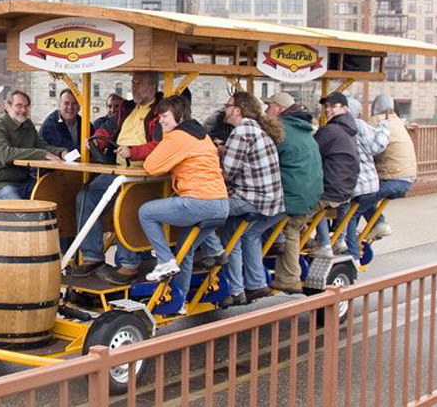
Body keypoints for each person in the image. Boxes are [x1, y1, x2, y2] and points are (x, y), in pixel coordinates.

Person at [75, 71, 163, 284]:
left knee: (125, 205)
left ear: (152, 85)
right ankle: (92, 256)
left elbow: (160, 145)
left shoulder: (161, 111)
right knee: (85, 196)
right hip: (119, 170)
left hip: (145, 175)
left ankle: (129, 263)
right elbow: (108, 129)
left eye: (138, 83)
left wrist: (134, 152)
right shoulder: (127, 108)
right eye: (133, 82)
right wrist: (97, 142)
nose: (133, 87)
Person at [198, 91, 285, 307]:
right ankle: (249, 286)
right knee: (232, 233)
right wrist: (224, 150)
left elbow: (227, 172)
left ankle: (213, 253)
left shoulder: (242, 132)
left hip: (253, 199)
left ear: (237, 109)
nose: (224, 109)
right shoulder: (255, 128)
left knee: (203, 210)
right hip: (271, 199)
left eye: (227, 105)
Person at [138, 96, 229, 284]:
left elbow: (152, 166)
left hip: (199, 201)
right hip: (221, 203)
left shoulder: (177, 136)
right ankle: (180, 302)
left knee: (146, 212)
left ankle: (165, 260)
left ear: (178, 115)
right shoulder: (202, 134)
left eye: (164, 116)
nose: (160, 121)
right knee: (184, 250)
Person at [263, 92, 323, 293]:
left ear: (279, 108)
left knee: (287, 230)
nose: (266, 110)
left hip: (293, 198)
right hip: (311, 194)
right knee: (294, 226)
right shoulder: (304, 130)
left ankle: (289, 278)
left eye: (269, 106)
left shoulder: (280, 131)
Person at [0, 90, 66, 200]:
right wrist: (43, 154)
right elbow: (6, 155)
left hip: (23, 181)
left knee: (53, 192)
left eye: (26, 106)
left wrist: (61, 153)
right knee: (20, 211)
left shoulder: (27, 125)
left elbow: (41, 145)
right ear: (7, 106)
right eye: (19, 106)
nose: (23, 110)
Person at [333, 97, 390, 260]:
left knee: (350, 215)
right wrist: (384, 127)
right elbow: (378, 146)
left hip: (355, 184)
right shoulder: (359, 125)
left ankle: (351, 252)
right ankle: (379, 223)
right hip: (371, 182)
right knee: (364, 202)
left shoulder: (351, 126)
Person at [313, 92, 360, 259]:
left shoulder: (331, 130)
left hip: (331, 189)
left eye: (333, 106)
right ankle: (338, 239)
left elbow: (310, 152)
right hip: (347, 187)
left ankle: (324, 244)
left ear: (345, 108)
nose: (328, 109)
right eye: (326, 106)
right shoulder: (349, 129)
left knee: (301, 205)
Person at [364, 93, 417, 239]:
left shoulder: (376, 120)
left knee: (357, 202)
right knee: (367, 198)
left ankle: (345, 243)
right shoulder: (398, 121)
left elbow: (364, 144)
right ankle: (378, 224)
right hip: (408, 177)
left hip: (393, 178)